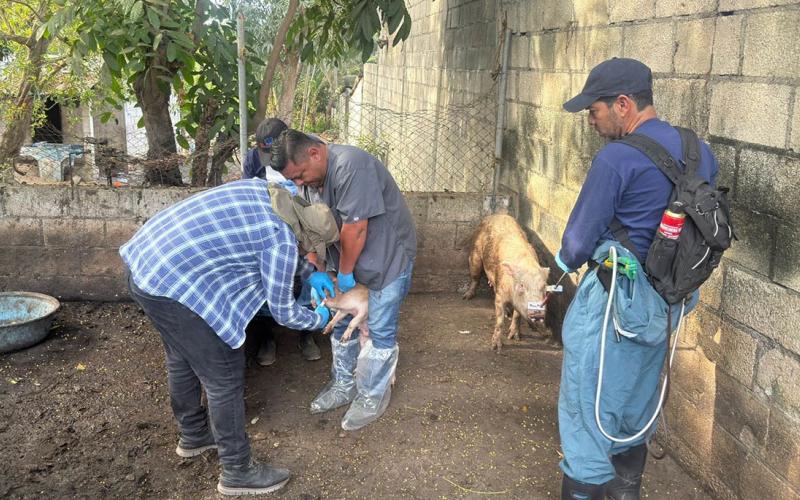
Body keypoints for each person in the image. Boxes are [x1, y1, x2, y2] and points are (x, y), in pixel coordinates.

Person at [555, 58, 718, 500]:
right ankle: (627, 491)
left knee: (585, 413)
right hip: (666, 306)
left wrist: (560, 267)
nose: (591, 120)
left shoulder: (616, 158)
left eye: (595, 110)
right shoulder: (699, 151)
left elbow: (574, 246)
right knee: (635, 406)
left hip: (612, 305)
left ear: (623, 104)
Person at [120, 179, 338, 496]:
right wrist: (319, 318)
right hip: (172, 285)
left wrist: (309, 273)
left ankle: (194, 434)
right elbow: (283, 312)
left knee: (181, 355)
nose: (313, 255)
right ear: (306, 239)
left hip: (147, 266)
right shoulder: (280, 242)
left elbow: (280, 249)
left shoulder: (270, 192)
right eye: (314, 250)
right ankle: (237, 471)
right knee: (224, 373)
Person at [270, 129, 417, 431]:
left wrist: (346, 275)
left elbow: (355, 229)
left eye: (299, 175)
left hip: (385, 259)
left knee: (378, 329)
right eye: (293, 179)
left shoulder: (351, 165)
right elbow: (310, 229)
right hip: (347, 259)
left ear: (315, 153)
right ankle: (343, 384)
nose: (298, 183)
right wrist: (318, 269)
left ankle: (372, 395)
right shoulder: (311, 180)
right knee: (339, 320)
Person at [243, 117, 322, 366]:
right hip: (269, 228)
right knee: (265, 279)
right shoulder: (253, 159)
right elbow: (248, 195)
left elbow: (317, 197)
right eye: (265, 152)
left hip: (303, 224)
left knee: (311, 274)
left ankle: (307, 334)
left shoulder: (306, 152)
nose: (269, 158)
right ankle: (268, 336)